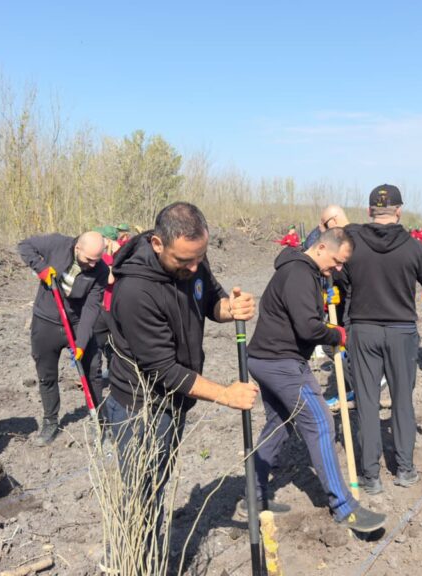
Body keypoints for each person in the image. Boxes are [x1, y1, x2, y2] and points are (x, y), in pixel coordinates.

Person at [103, 202, 258, 547]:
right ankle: (136, 562)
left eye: (199, 257)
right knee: (139, 499)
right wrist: (225, 394)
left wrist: (230, 309)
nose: (194, 266)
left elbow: (210, 301)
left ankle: (148, 555)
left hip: (173, 403)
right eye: (184, 260)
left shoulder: (192, 260)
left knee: (156, 486)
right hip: (140, 409)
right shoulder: (135, 292)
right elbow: (165, 370)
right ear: (158, 244)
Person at [247, 227, 386, 532]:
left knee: (279, 426)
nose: (338, 269)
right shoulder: (299, 273)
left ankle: (253, 495)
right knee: (321, 424)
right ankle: (344, 507)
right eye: (336, 261)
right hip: (281, 362)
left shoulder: (307, 271)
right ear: (322, 247)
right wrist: (335, 333)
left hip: (263, 359)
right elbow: (308, 327)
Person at [341, 184, 422, 494]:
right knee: (402, 399)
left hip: (363, 330)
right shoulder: (415, 248)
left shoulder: (353, 244)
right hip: (401, 332)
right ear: (399, 211)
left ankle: (370, 475)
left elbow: (340, 279)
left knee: (367, 401)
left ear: (369, 210)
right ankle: (404, 469)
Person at [18, 230, 109, 446]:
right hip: (46, 320)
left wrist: (81, 343)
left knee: (93, 371)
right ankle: (50, 421)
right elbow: (24, 245)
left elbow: (91, 308)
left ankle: (100, 421)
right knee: (46, 375)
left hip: (77, 322)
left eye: (98, 260)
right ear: (78, 247)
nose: (94, 265)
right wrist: (40, 268)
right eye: (89, 259)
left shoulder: (101, 270)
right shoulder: (57, 244)